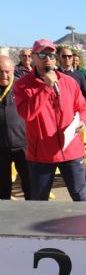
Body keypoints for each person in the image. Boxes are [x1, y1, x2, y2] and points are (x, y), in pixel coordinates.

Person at [13, 39, 86, 201]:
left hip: (71, 150)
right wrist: (45, 88)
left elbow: (82, 108)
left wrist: (83, 121)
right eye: (42, 55)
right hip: (41, 154)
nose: (48, 59)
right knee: (39, 201)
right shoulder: (22, 85)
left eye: (51, 55)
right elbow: (26, 114)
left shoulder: (69, 82)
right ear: (33, 57)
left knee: (81, 198)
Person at [0, 55, 30, 200]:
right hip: (1, 148)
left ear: (13, 70)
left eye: (7, 71)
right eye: (0, 71)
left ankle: (33, 211)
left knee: (29, 185)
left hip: (23, 146)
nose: (3, 75)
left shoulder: (22, 87)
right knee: (2, 188)